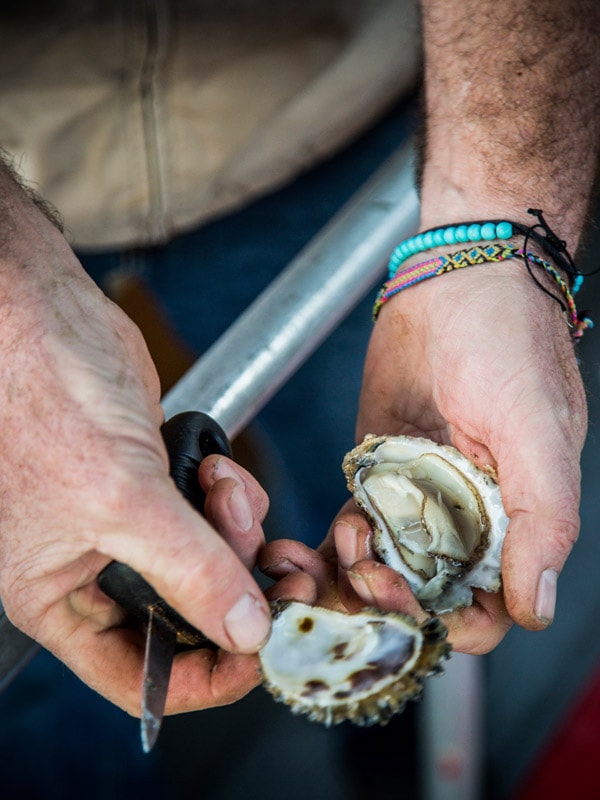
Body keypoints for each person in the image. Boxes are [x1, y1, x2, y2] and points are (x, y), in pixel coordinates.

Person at [0, 0, 598, 729]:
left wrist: (499, 225)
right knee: (53, 603)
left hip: (328, 113)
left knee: (359, 511)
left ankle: (398, 756)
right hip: (21, 150)